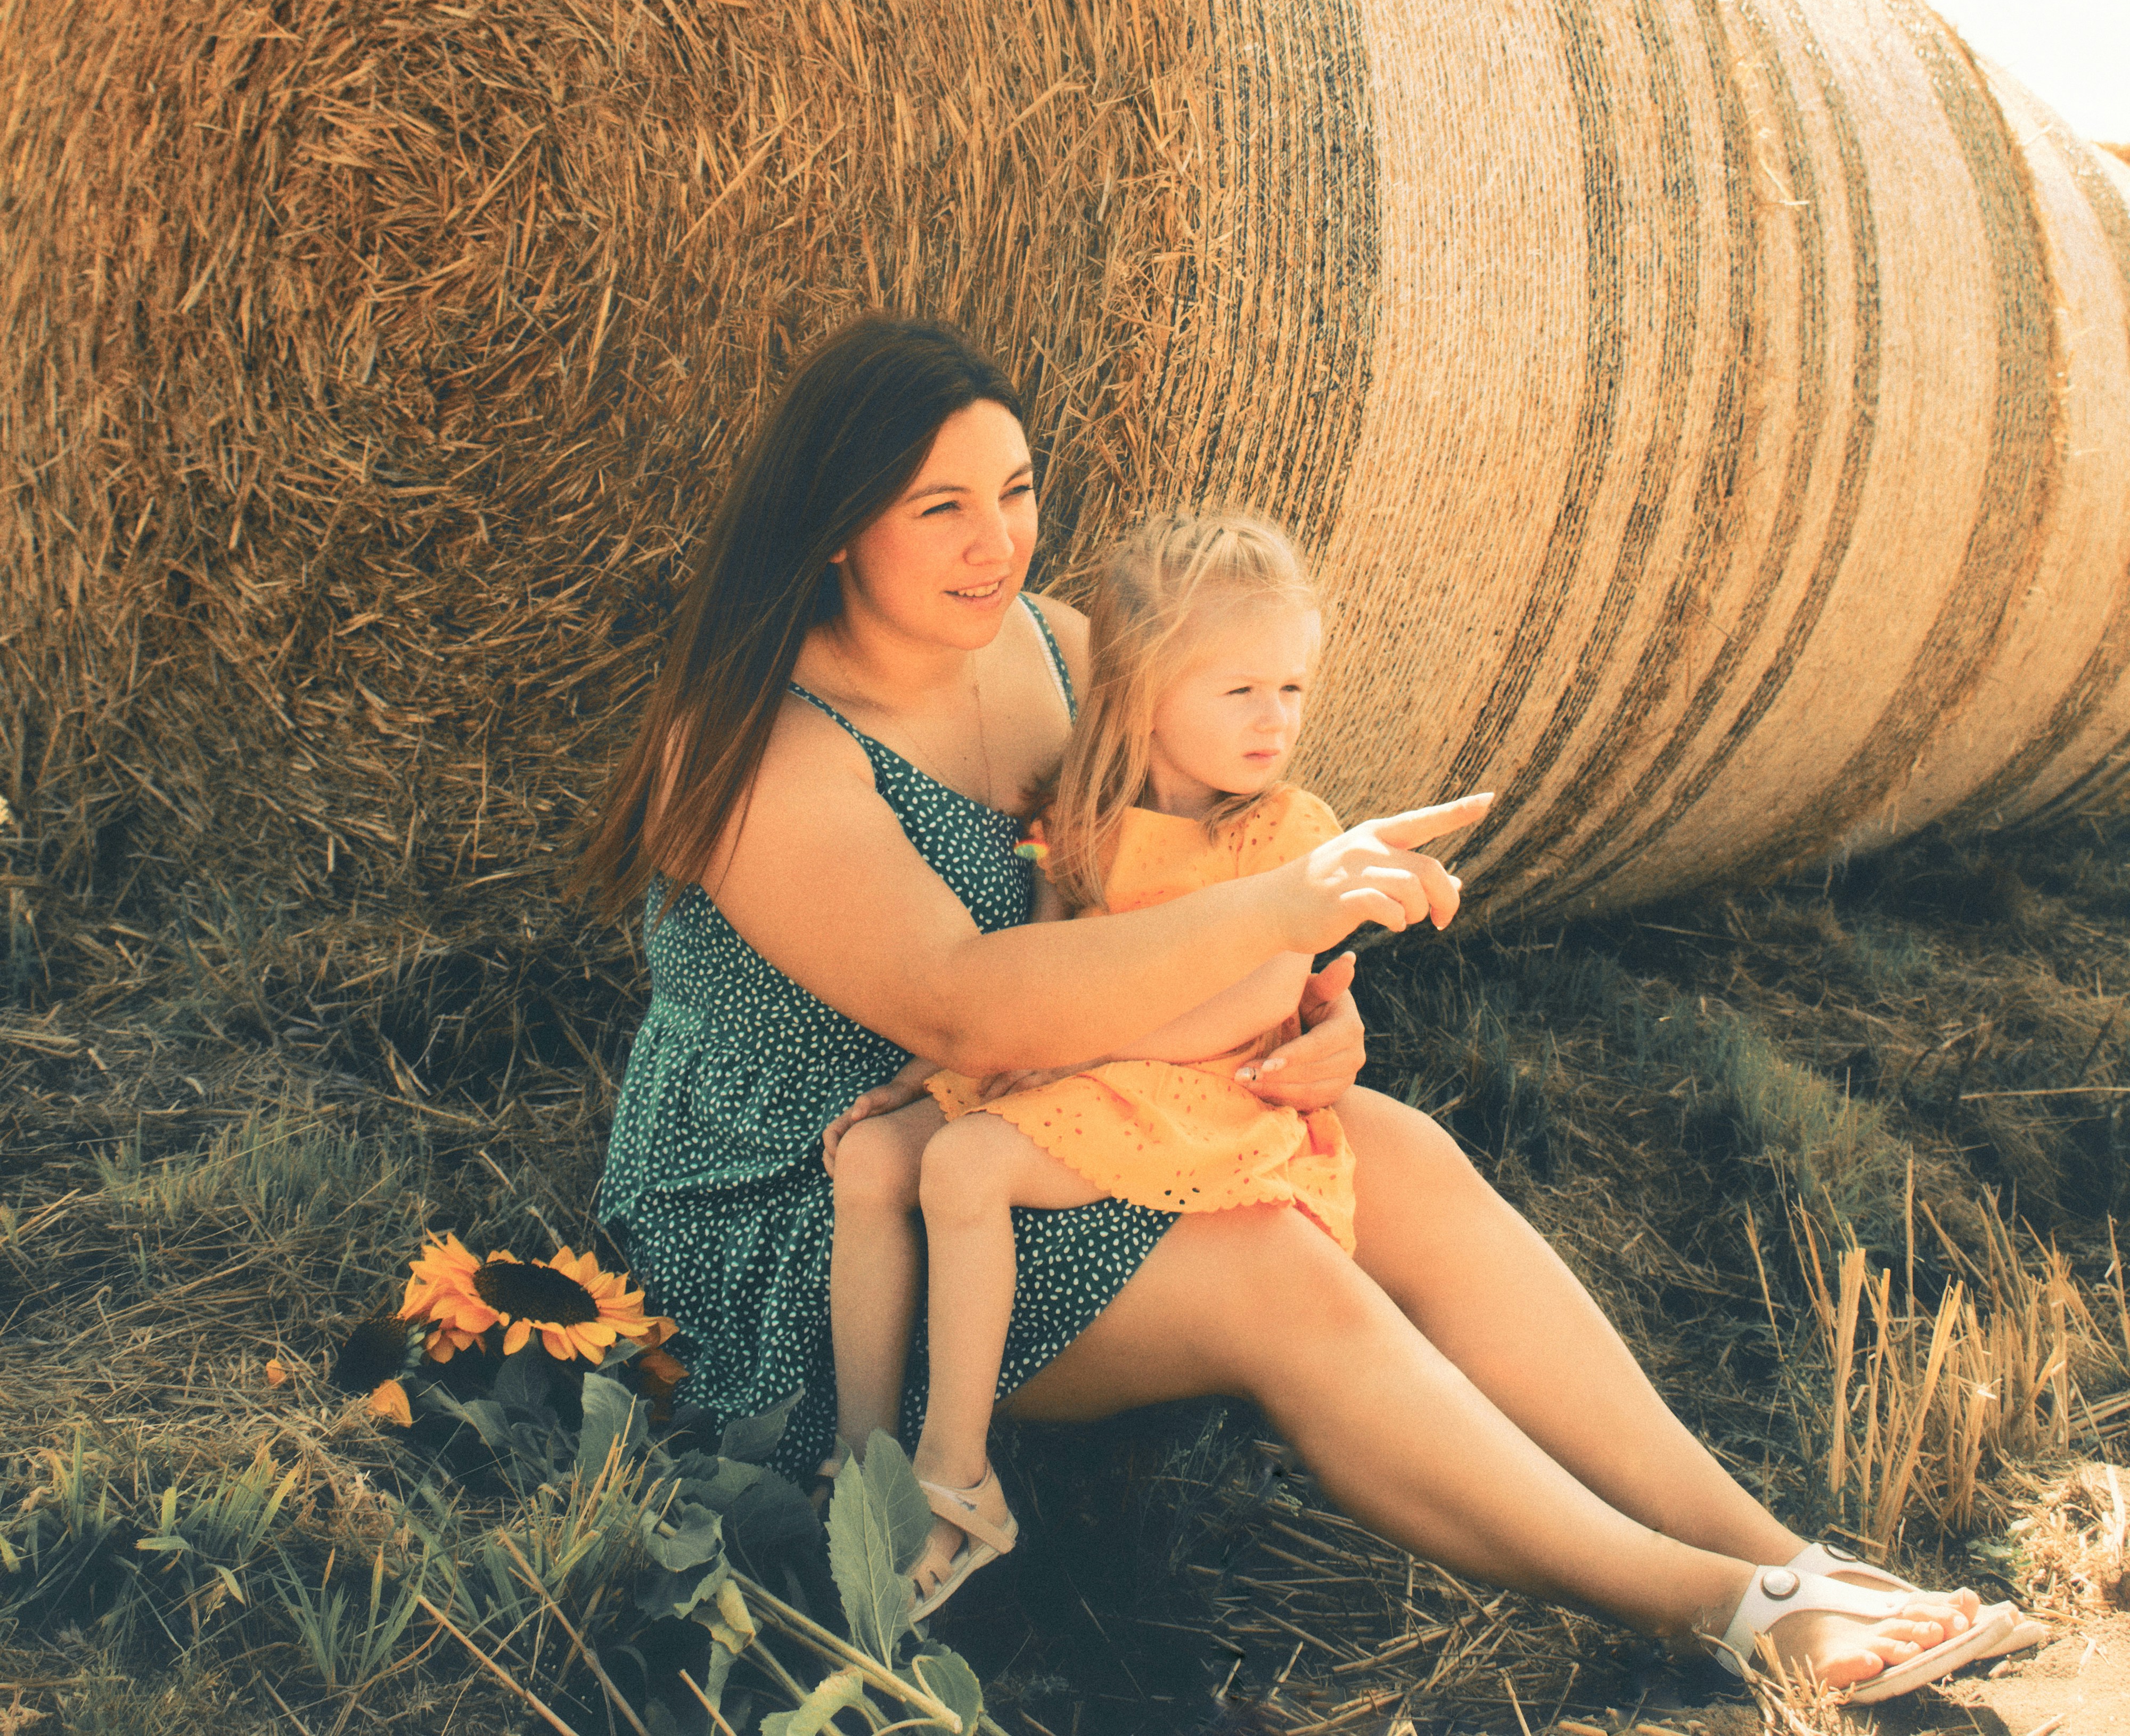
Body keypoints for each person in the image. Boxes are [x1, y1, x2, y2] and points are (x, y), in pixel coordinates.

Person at [581, 313, 2032, 1702]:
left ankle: (1776, 1552)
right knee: (1276, 1261)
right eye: (937, 505)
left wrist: (1307, 1014)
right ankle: (1707, 1608)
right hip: (814, 1205)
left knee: (1391, 1148)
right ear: (836, 521)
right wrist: (1287, 907)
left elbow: (1170, 887)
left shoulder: (1059, 647)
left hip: (1053, 1099)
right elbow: (965, 1006)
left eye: (1017, 490)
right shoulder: (760, 742)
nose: (997, 540)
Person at [821, 509, 1365, 1608]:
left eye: (1291, 690)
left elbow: (1253, 1004)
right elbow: (1032, 965)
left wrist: (1063, 1053)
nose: (1275, 721)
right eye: (1239, 690)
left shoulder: (1287, 833)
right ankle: (856, 1460)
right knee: (874, 1159)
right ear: (1142, 690)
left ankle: (955, 1482)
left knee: (966, 1169)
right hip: (1072, 1064)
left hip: (1191, 1089)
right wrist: (933, 1077)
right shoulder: (1078, 816)